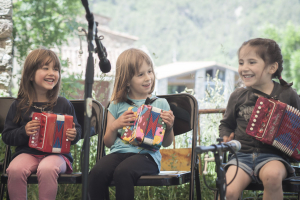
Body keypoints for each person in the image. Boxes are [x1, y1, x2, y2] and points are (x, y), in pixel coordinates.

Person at [88, 48, 175, 200]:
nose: (148, 78)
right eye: (141, 74)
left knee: (123, 172)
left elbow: (167, 143)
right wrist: (115, 125)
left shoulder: (161, 103)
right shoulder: (116, 105)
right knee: (96, 173)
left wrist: (169, 127)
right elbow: (108, 143)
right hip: (118, 153)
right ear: (127, 80)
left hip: (147, 156)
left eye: (149, 71)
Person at [219, 38, 300, 200]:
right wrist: (226, 135)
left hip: (274, 157)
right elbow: (226, 124)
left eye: (252, 62)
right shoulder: (238, 96)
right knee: (228, 192)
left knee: (273, 176)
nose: (244, 68)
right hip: (241, 156)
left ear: (272, 67)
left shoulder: (287, 94)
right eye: (241, 63)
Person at [2, 48, 82, 200]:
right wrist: (24, 131)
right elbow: (7, 136)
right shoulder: (19, 105)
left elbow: (77, 129)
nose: (52, 73)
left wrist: (74, 134)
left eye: (56, 69)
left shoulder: (63, 104)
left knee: (47, 168)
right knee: (14, 169)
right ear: (31, 75)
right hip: (27, 153)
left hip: (58, 156)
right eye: (45, 68)